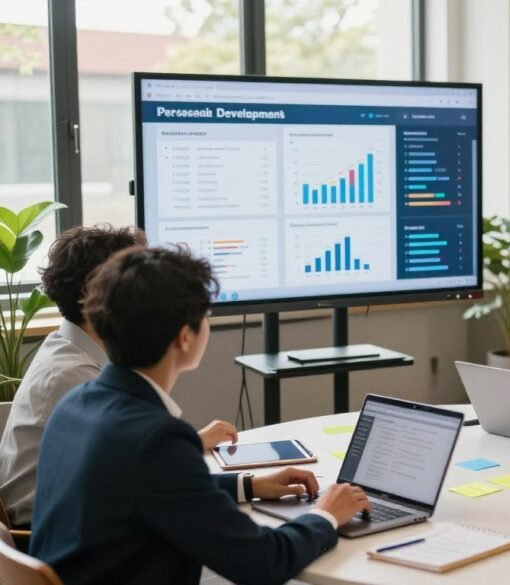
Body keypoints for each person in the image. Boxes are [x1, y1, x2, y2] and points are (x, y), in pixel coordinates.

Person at [30, 247, 371, 585]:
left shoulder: (76, 403)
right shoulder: (156, 439)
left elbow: (156, 487)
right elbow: (265, 562)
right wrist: (326, 515)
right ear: (184, 336)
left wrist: (248, 485)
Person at [0, 225, 237, 528]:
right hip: (51, 533)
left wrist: (202, 452)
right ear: (99, 294)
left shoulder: (67, 350)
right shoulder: (74, 377)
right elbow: (144, 477)